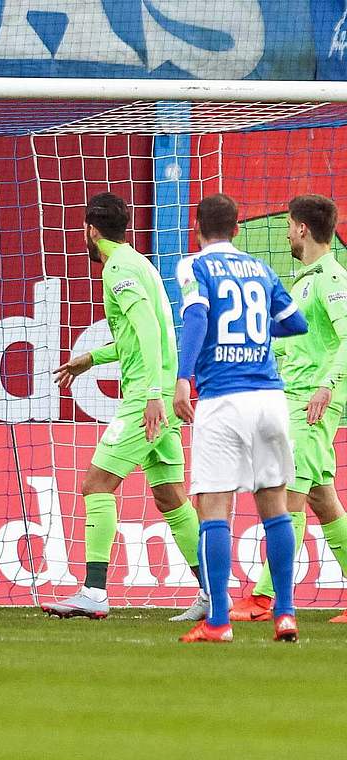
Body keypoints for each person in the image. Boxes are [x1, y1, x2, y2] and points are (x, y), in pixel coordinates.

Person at [45, 193, 205, 622]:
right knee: (171, 497)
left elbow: (149, 330)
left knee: (96, 484)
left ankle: (94, 591)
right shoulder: (138, 262)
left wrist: (153, 393)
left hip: (145, 399)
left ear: (90, 230)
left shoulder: (117, 269)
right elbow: (142, 336)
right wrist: (90, 359)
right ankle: (212, 592)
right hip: (162, 397)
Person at [173, 193, 307, 643]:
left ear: (198, 228)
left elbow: (195, 315)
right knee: (275, 506)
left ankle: (217, 623)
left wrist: (182, 377)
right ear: (235, 228)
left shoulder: (194, 266)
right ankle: (285, 614)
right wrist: (253, 329)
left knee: (214, 509)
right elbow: (296, 323)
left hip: (223, 399)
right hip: (270, 398)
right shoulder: (261, 269)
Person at [230, 194, 347, 624]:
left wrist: (326, 386)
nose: (285, 233)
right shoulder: (305, 279)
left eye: (289, 226)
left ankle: (264, 597)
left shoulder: (332, 278)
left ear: (301, 228)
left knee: (289, 496)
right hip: (295, 397)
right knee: (322, 498)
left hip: (313, 402)